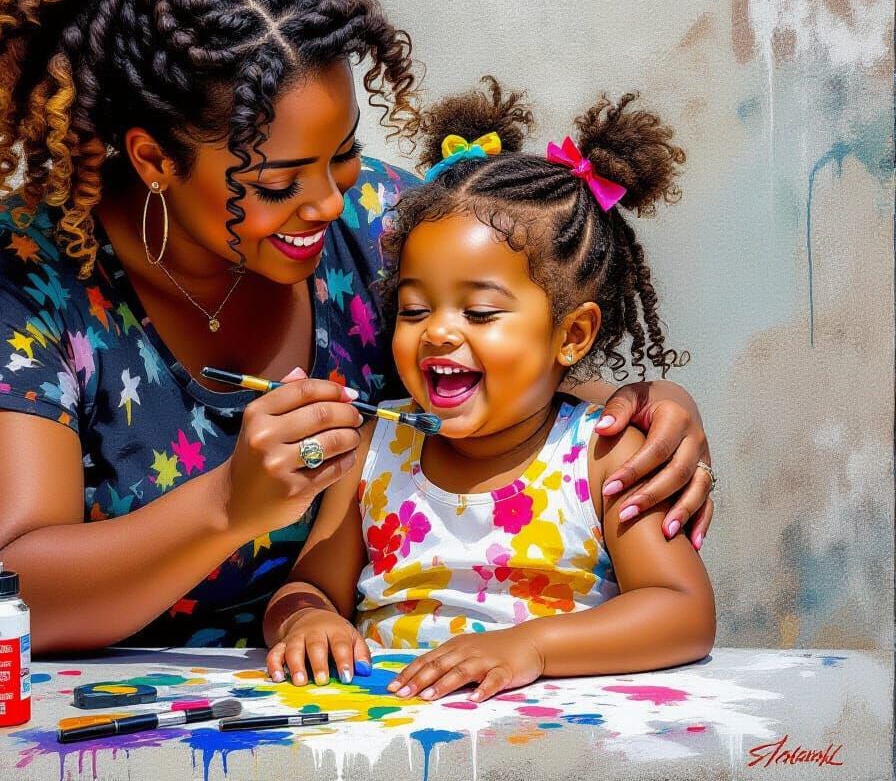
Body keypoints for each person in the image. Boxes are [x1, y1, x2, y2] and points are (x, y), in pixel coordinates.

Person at [0, 0, 715, 654]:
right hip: (40, 722)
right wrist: (229, 506)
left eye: (344, 154)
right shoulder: (15, 278)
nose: (329, 203)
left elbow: (509, 346)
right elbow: (5, 595)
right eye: (281, 180)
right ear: (152, 158)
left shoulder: (378, 226)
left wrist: (642, 412)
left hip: (292, 712)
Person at [263, 80, 715, 700]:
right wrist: (307, 619)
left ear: (572, 335)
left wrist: (528, 647)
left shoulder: (602, 453)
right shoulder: (375, 447)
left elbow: (682, 612)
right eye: (414, 308)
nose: (438, 332)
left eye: (479, 313)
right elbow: (308, 585)